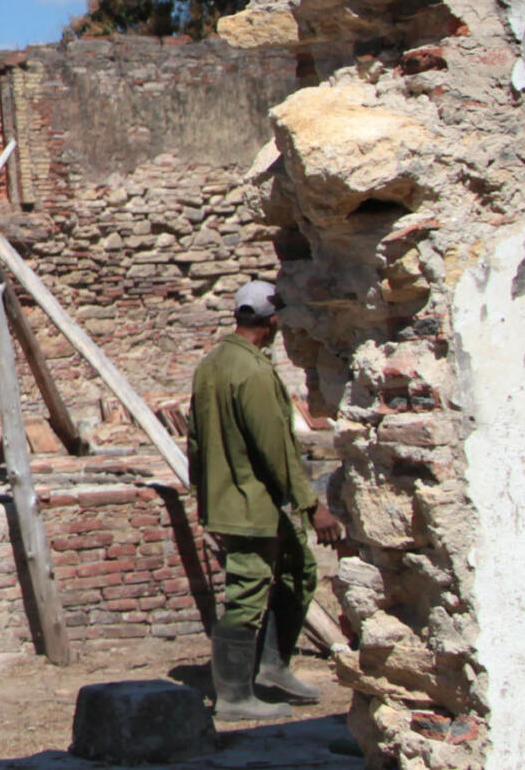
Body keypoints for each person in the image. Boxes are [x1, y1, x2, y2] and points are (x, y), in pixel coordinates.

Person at [188, 279, 337, 720]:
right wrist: (313, 506)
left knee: (298, 569)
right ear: (272, 320)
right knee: (246, 596)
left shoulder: (212, 363)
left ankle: (272, 667)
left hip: (230, 498)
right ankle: (234, 697)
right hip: (247, 503)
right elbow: (276, 448)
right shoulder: (252, 372)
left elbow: (195, 440)